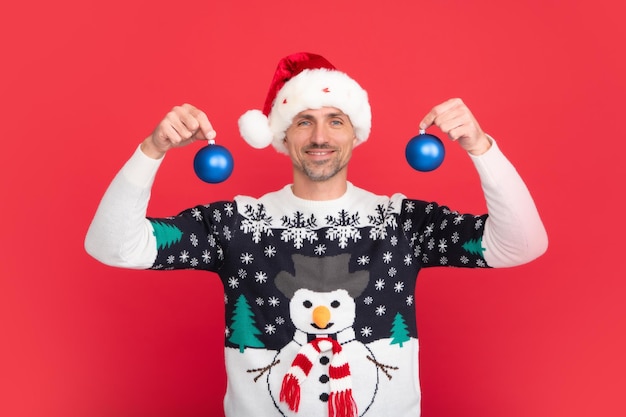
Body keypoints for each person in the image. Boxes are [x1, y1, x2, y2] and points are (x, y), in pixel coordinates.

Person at [85, 52, 548, 417]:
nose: (319, 136)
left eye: (335, 120)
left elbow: (522, 245)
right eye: (304, 120)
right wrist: (153, 149)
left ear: (355, 134)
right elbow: (113, 246)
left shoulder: (402, 222)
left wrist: (481, 147)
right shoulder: (236, 224)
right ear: (283, 136)